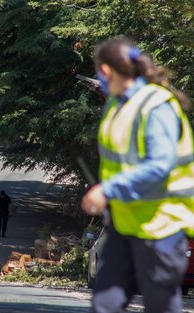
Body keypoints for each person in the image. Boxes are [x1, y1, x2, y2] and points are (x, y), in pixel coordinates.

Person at [81, 37, 194, 313]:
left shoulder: (156, 106)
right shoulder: (116, 105)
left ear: (106, 71)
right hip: (124, 226)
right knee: (105, 304)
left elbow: (160, 165)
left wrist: (108, 190)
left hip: (161, 227)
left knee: (160, 307)